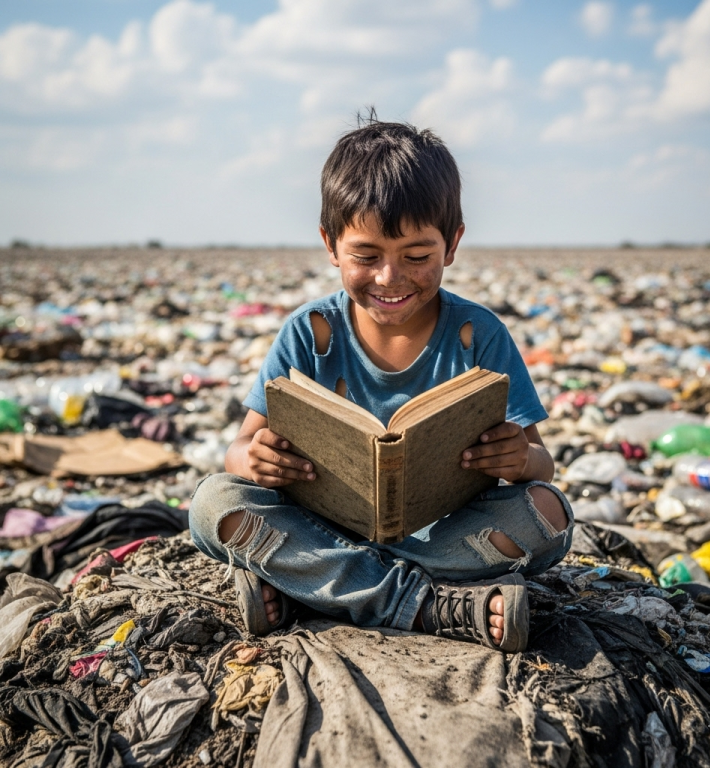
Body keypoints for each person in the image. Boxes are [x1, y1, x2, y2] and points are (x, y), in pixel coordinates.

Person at [188, 114, 574, 653]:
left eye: (417, 257)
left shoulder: (478, 335)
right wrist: (252, 459)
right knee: (213, 504)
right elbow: (237, 449)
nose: (390, 278)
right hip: (326, 528)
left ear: (453, 243)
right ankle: (424, 605)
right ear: (330, 243)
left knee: (549, 513)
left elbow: (541, 464)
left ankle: (318, 589)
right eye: (365, 257)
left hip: (441, 537)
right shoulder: (308, 332)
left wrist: (518, 460)